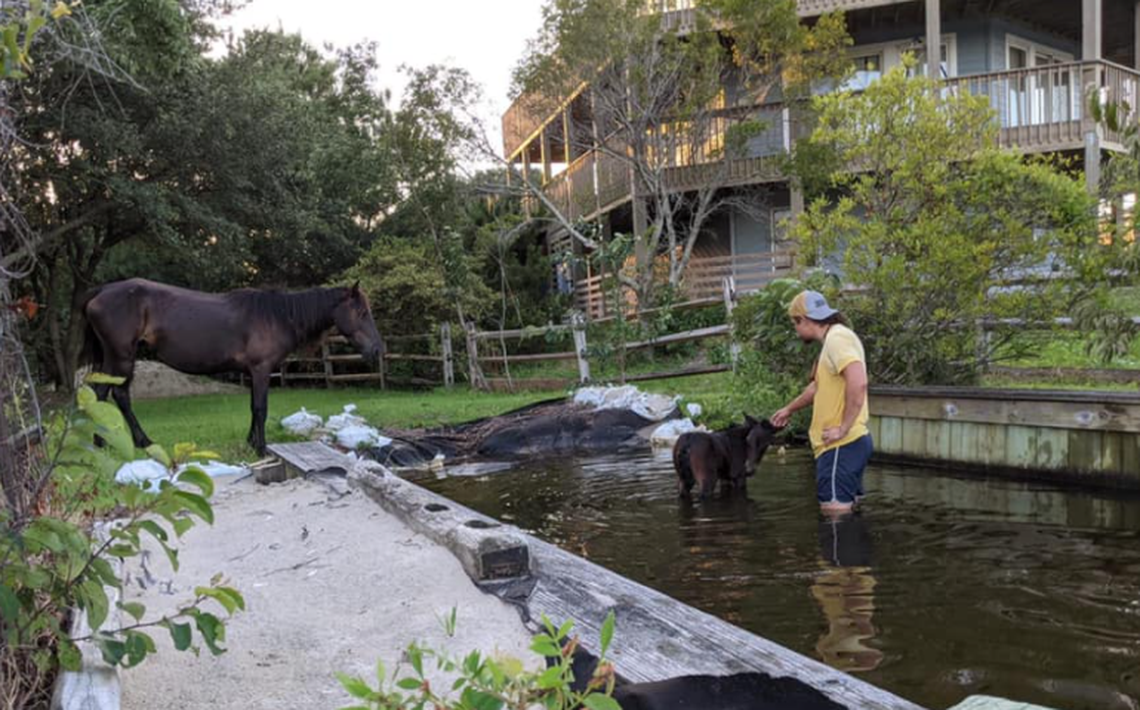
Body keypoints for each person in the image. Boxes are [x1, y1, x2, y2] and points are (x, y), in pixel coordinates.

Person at [771, 290, 871, 514]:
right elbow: (817, 387)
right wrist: (789, 409)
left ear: (803, 320)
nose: (795, 330)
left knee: (834, 516)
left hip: (840, 446)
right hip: (845, 446)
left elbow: (859, 382)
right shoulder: (831, 342)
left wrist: (842, 428)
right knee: (849, 518)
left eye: (794, 324)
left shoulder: (837, 339)